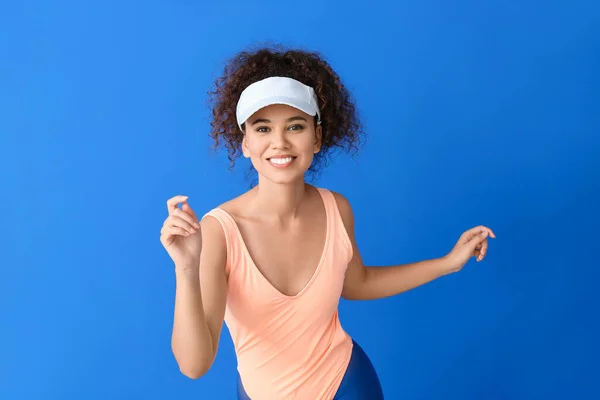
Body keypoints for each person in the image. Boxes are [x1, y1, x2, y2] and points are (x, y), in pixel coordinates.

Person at [160, 46, 495, 400]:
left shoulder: (336, 208)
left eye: (295, 126)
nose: (280, 142)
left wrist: (446, 264)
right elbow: (194, 365)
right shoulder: (219, 231)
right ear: (245, 142)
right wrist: (185, 267)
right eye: (263, 128)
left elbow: (358, 283)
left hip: (348, 384)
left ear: (316, 137)